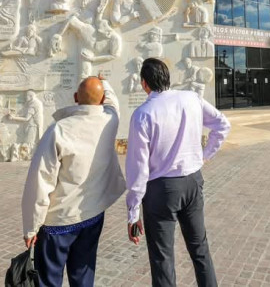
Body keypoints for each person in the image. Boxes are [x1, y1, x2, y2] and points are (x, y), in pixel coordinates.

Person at [126, 58, 231, 287]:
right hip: (193, 182)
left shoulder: (143, 114)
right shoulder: (191, 99)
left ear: (144, 84)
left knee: (162, 258)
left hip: (160, 190)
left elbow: (138, 168)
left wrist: (133, 212)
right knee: (200, 248)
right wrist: (204, 156)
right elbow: (222, 125)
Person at [21, 76, 126, 287]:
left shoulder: (59, 130)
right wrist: (105, 81)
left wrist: (31, 227)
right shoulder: (109, 119)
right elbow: (113, 102)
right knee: (83, 276)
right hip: (92, 214)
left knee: (49, 280)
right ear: (103, 98)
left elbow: (41, 180)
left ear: (76, 97)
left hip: (59, 221)